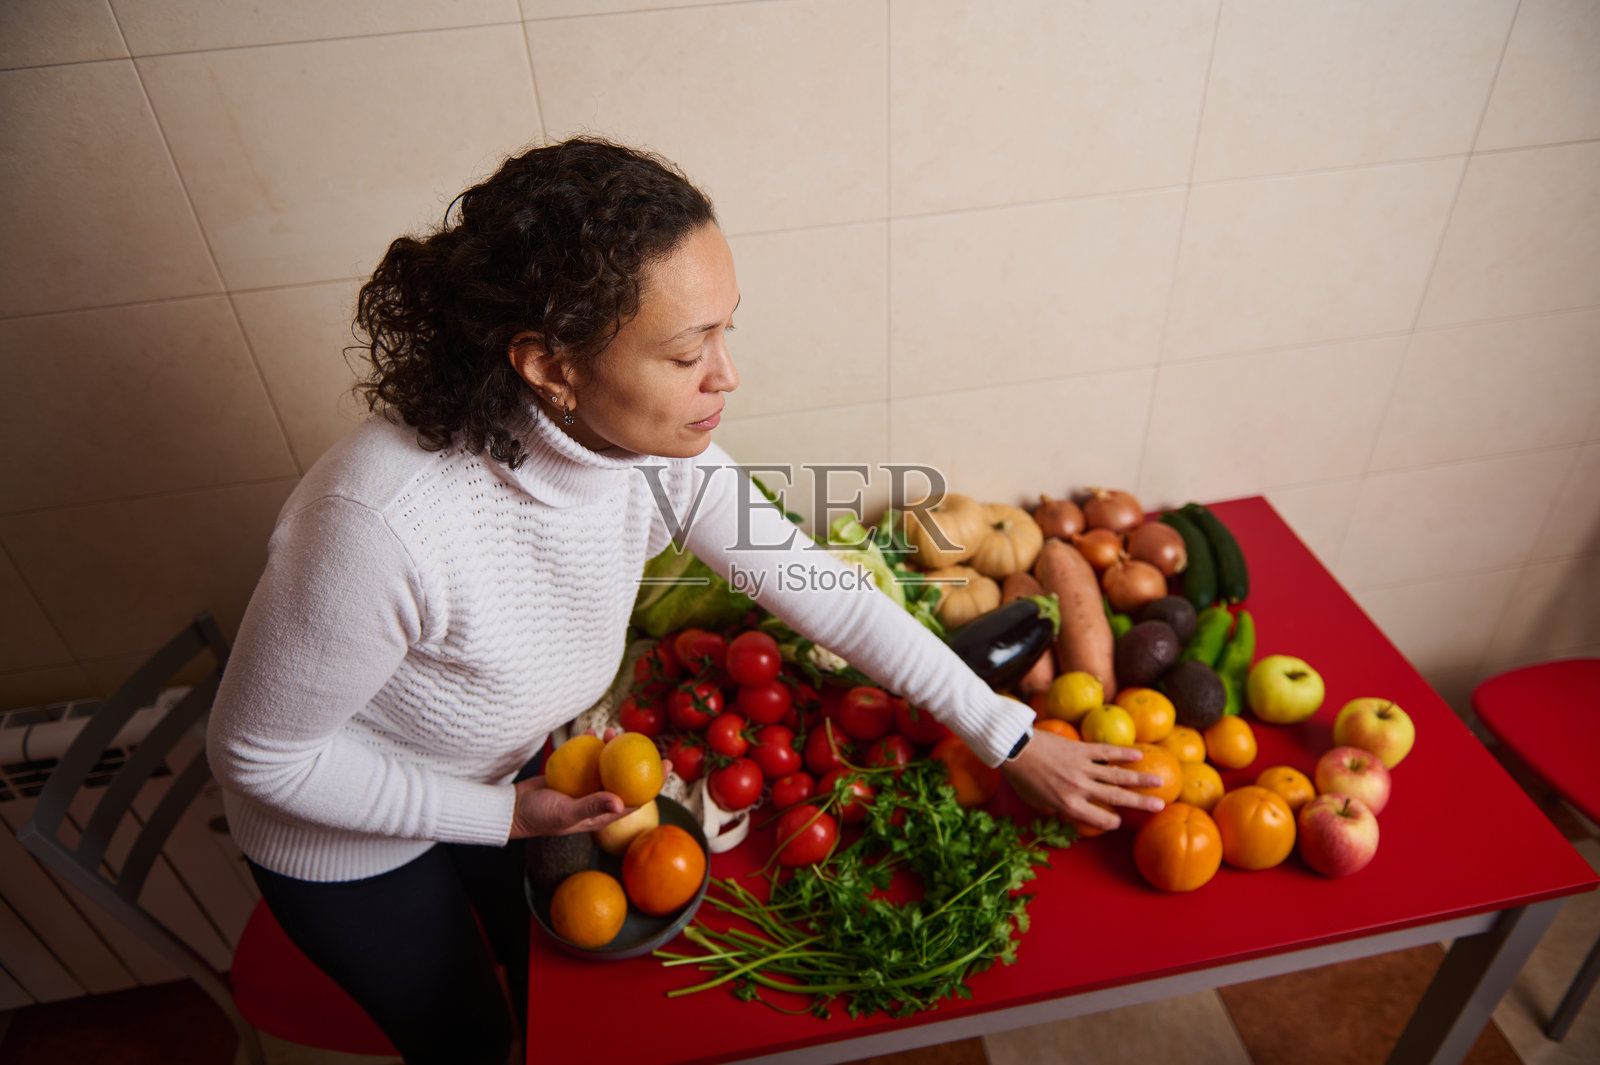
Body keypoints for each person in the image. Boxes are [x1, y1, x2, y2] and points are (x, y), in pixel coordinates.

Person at [206, 137, 1163, 1065]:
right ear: (550, 364)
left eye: (725, 329)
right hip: (338, 830)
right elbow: (258, 757)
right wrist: (501, 819)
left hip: (510, 776)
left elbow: (824, 593)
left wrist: (1010, 734)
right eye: (684, 350)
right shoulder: (380, 524)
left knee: (551, 991)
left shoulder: (653, 455)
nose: (726, 375)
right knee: (469, 1039)